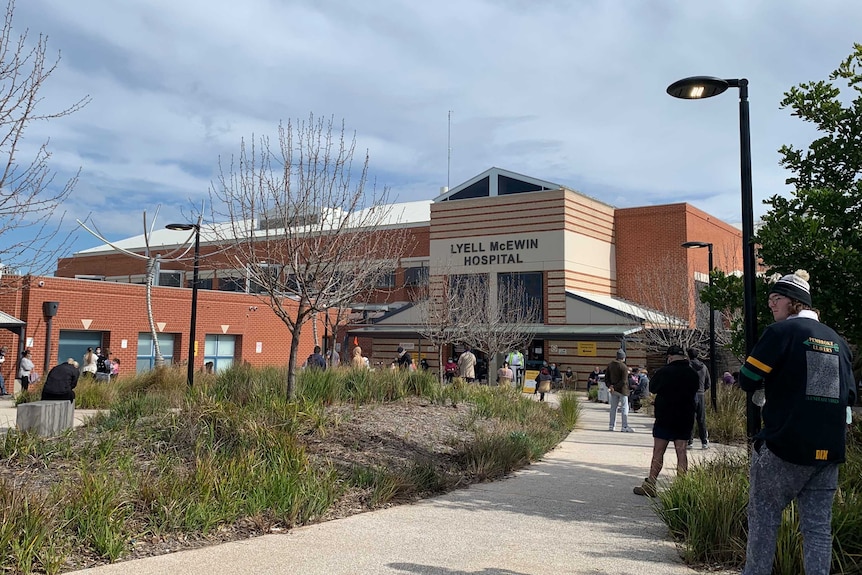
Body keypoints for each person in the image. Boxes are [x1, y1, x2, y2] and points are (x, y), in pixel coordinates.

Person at [739, 270, 855, 575]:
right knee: (818, 529)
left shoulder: (780, 334)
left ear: (794, 302)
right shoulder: (838, 342)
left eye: (776, 299)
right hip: (829, 451)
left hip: (784, 445)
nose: (771, 305)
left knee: (764, 520)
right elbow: (850, 395)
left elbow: (748, 378)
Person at [633, 345, 699, 496]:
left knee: (658, 451)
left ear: (669, 357)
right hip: (685, 417)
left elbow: (653, 389)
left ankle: (651, 484)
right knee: (681, 452)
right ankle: (682, 487)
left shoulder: (663, 372)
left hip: (665, 416)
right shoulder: (692, 373)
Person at [686, 348, 711, 450]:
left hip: (689, 394)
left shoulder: (687, 366)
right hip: (700, 394)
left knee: (690, 418)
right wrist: (702, 389)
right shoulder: (704, 367)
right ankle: (704, 441)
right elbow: (708, 383)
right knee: (701, 419)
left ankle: (689, 441)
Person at [606, 349, 634, 432]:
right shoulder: (623, 367)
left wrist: (610, 386)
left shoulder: (610, 365)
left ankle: (611, 425)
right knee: (625, 407)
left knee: (613, 408)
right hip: (622, 390)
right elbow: (624, 381)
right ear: (623, 358)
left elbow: (606, 378)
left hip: (613, 390)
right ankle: (624, 426)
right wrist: (615, 386)